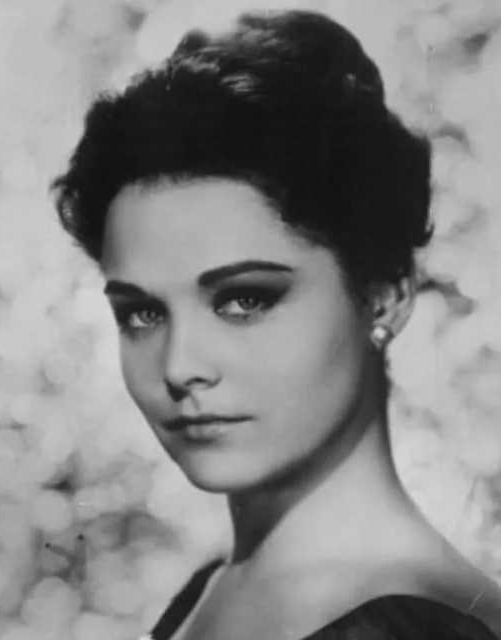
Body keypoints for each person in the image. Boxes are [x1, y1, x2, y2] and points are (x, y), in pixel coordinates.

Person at [52, 9, 501, 639]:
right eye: (142, 313)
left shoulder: (422, 627)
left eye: (245, 300)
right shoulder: (210, 589)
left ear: (386, 296)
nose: (180, 366)